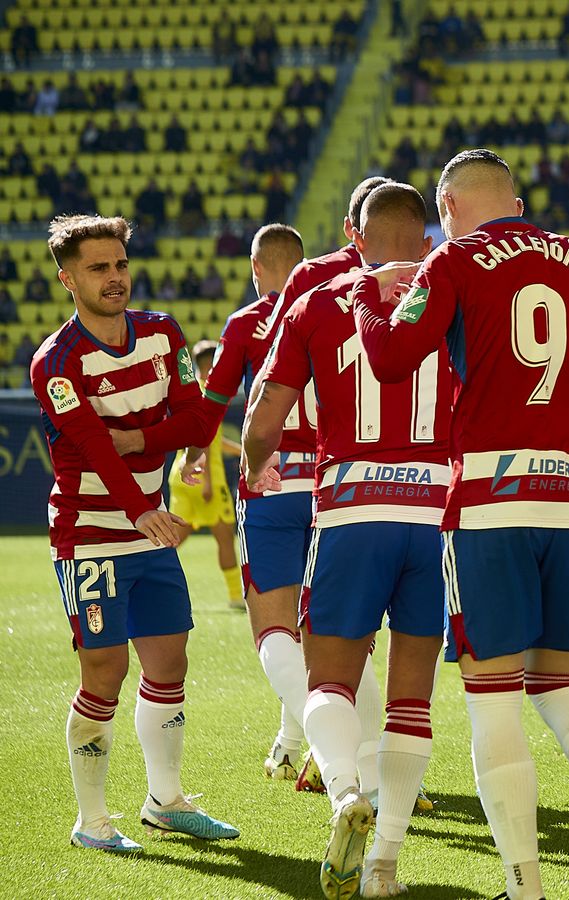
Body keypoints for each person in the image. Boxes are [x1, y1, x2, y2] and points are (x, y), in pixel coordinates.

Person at [354, 149, 569, 900]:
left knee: (491, 696)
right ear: (516, 201)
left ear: (449, 208)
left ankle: (526, 886)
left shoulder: (453, 260)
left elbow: (392, 359)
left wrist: (367, 293)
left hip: (492, 498)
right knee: (560, 682)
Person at [244, 183, 449, 900]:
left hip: (350, 508)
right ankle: (385, 864)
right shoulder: (451, 291)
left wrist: (253, 459)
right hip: (434, 514)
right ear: (425, 242)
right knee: (412, 698)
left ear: (354, 241)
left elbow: (267, 413)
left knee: (329, 676)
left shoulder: (315, 301)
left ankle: (342, 793)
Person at [31, 215, 238, 855]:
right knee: (105, 670)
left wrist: (151, 442)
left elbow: (197, 414)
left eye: (119, 264)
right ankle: (91, 820)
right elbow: (92, 446)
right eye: (98, 268)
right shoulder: (57, 362)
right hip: (91, 532)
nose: (114, 277)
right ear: (68, 279)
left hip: (148, 525)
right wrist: (140, 509)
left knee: (169, 661)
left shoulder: (162, 331)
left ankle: (165, 801)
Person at [178, 224, 317, 784]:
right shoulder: (338, 303)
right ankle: (290, 742)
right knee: (321, 622)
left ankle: (340, 746)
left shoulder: (244, 324)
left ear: (256, 268)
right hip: (335, 484)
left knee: (275, 628)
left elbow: (213, 402)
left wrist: (192, 452)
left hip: (270, 480)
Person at [165, 340, 244, 610]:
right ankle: (236, 596)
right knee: (224, 537)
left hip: (181, 475)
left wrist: (242, 450)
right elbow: (204, 440)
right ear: (210, 364)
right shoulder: (209, 394)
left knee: (175, 538)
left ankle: (145, 582)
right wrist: (209, 480)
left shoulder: (188, 393)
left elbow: (214, 439)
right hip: (204, 478)